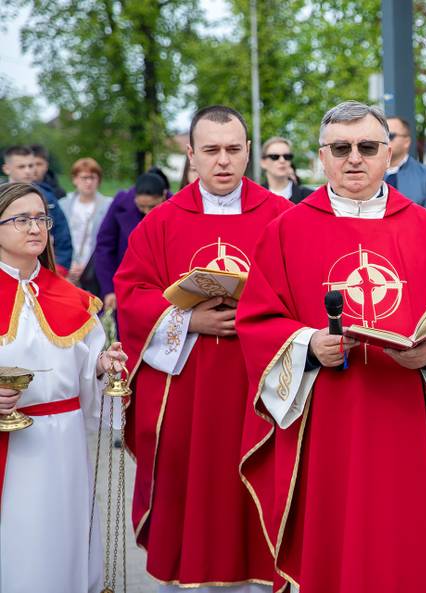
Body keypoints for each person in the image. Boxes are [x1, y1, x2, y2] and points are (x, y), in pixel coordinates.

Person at [236, 101, 426, 593]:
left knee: (400, 544)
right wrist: (307, 343)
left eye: (368, 147)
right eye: (340, 148)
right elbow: (257, 320)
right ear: (321, 158)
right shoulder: (287, 230)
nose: (354, 159)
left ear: (389, 154)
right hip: (327, 419)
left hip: (404, 417)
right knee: (334, 546)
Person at [115, 105, 291, 590]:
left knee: (259, 488)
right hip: (189, 393)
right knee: (196, 491)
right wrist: (189, 319)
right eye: (210, 150)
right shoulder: (162, 223)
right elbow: (130, 298)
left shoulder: (283, 217)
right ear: (191, 154)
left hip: (261, 389)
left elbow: (304, 294)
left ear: (249, 152)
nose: (223, 161)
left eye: (234, 149)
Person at [0, 181, 127, 592]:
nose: (35, 227)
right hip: (13, 451)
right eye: (21, 219)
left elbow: (87, 366)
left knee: (68, 538)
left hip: (66, 443)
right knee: (20, 546)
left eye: (41, 218)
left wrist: (103, 367)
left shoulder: (74, 300)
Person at [94, 171, 168, 312]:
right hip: (125, 284)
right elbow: (104, 247)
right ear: (134, 198)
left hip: (160, 286)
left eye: (152, 207)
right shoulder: (121, 203)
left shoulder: (175, 207)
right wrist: (109, 289)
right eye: (141, 207)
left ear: (163, 196)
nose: (147, 212)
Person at [2, 145, 73, 270]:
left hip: (43, 270)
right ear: (7, 168)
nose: (28, 171)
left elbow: (63, 238)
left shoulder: (49, 198)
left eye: (31, 166)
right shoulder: (1, 198)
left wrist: (58, 271)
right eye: (21, 167)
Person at [58, 158, 112, 290]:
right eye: (84, 178)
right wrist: (66, 265)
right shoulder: (63, 204)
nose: (89, 182)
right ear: (75, 179)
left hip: (95, 269)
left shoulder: (108, 205)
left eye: (93, 177)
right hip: (67, 267)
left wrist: (89, 266)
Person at [384, 116, 426, 221]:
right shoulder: (368, 175)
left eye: (390, 136)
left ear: (407, 142)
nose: (385, 141)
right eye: (382, 136)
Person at [259, 136, 313, 203]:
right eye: (274, 157)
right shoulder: (254, 197)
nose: (282, 160)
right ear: (263, 162)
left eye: (287, 156)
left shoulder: (310, 197)